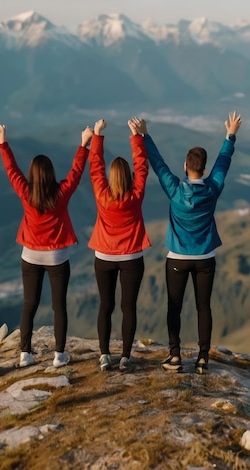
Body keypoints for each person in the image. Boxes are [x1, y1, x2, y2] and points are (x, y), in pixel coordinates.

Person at [142, 111, 243, 374]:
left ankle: (174, 356)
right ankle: (202, 358)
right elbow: (223, 163)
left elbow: (158, 163)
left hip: (177, 257)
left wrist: (144, 135)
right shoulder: (213, 188)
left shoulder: (174, 189)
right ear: (204, 170)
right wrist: (230, 135)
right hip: (205, 258)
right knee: (203, 307)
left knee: (174, 307)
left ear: (186, 166)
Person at [0, 123, 94, 368]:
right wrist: (84, 143)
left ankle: (25, 353)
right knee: (59, 305)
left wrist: (3, 143)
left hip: (30, 256)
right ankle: (60, 355)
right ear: (50, 173)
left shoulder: (26, 193)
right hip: (57, 257)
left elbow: (11, 170)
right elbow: (76, 172)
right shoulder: (61, 193)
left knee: (29, 304)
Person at [88, 117, 151, 372]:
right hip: (131, 258)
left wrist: (97, 135)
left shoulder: (102, 195)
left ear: (111, 178)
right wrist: (136, 136)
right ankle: (125, 356)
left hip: (103, 256)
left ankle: (104, 354)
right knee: (128, 307)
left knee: (106, 305)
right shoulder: (135, 195)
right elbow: (142, 165)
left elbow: (95, 166)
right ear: (129, 177)